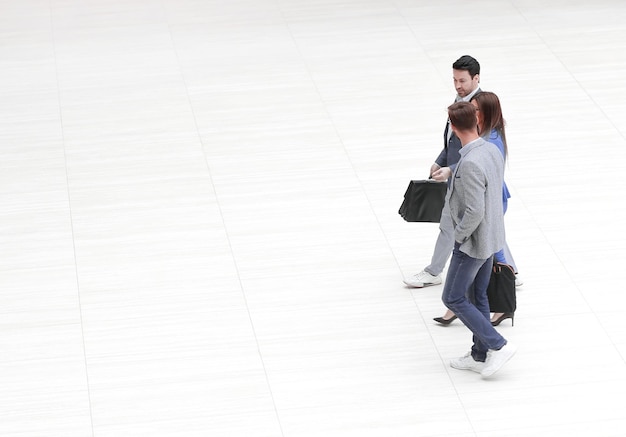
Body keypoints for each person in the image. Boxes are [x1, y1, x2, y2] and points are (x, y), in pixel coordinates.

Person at [442, 101, 516, 377]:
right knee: (478, 295)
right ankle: (479, 353)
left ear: (453, 127)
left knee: (453, 297)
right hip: (491, 237)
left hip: (473, 243)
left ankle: (497, 345)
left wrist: (458, 237)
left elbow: (474, 210)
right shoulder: (490, 150)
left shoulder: (471, 162)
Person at [403, 55, 481, 293]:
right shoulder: (460, 99)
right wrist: (441, 161)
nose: (458, 85)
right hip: (456, 178)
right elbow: (453, 140)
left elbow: (479, 149)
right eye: (455, 80)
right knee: (450, 224)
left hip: (470, 179)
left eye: (463, 80)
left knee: (482, 227)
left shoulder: (479, 107)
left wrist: (451, 169)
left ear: (476, 78)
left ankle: (508, 270)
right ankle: (434, 271)